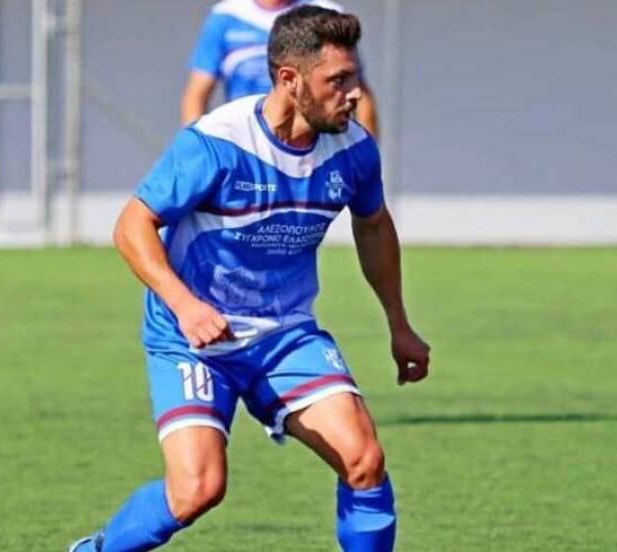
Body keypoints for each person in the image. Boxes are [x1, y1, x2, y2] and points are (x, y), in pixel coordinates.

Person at [69, 6, 429, 552]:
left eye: (353, 77)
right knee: (197, 490)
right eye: (337, 81)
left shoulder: (354, 149)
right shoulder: (217, 143)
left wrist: (399, 324)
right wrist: (185, 305)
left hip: (284, 335)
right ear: (290, 79)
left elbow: (373, 225)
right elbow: (131, 226)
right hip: (192, 340)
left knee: (364, 461)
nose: (354, 94)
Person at [181, 0, 380, 137]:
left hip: (315, 146)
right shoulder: (226, 16)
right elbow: (196, 96)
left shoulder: (324, 12)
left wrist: (365, 159)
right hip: (247, 143)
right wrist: (200, 150)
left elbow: (359, 93)